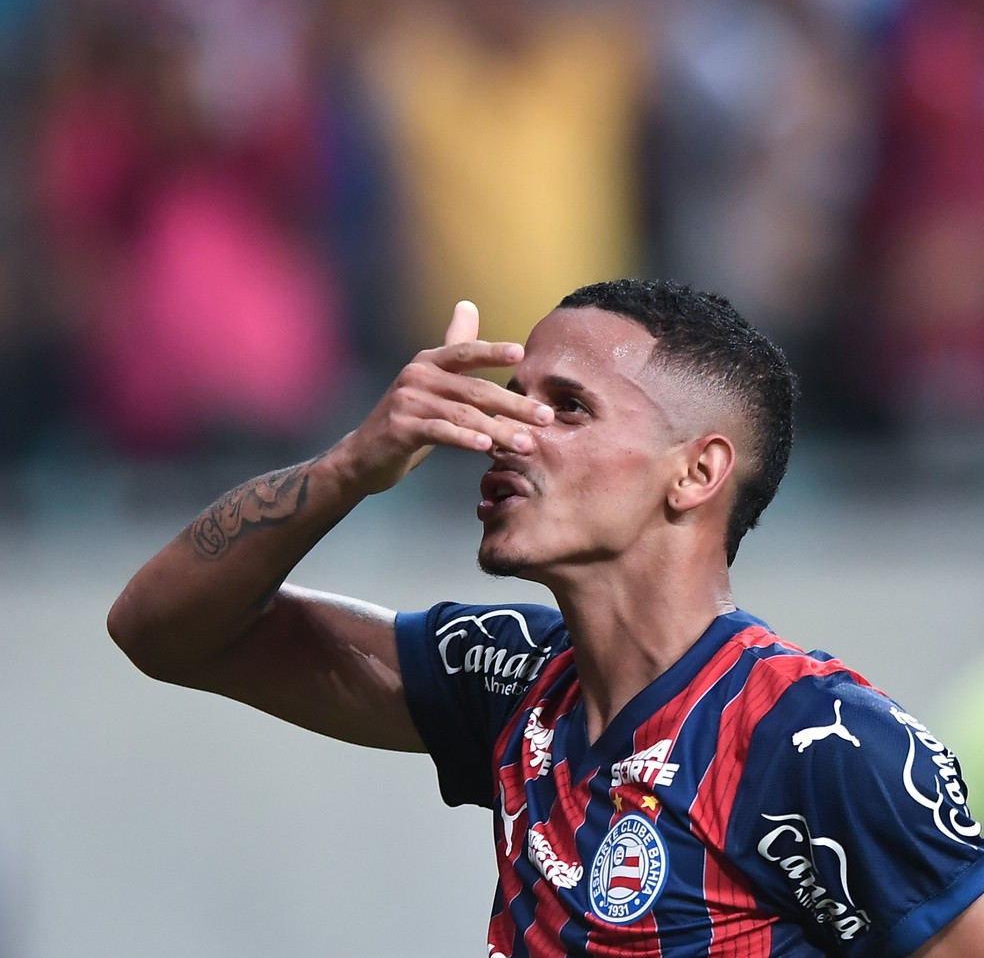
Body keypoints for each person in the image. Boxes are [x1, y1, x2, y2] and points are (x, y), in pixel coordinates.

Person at [108, 279, 984, 956]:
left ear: (695, 473)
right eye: (512, 397)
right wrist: (350, 466)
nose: (505, 433)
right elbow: (160, 628)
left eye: (567, 406)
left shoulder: (817, 741)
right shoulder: (508, 676)